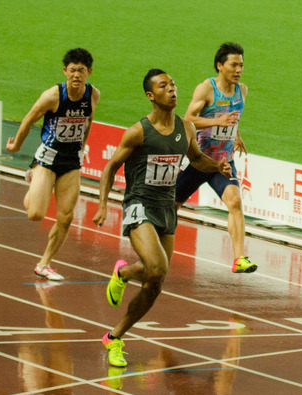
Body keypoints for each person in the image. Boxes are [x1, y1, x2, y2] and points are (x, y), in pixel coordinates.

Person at [92, 69, 232, 367]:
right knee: (157, 267)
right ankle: (126, 275)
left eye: (173, 84)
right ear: (150, 95)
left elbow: (195, 159)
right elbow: (110, 167)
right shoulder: (138, 132)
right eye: (163, 86)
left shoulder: (186, 128)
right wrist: (103, 204)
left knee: (156, 281)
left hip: (167, 208)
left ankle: (115, 334)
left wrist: (217, 166)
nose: (172, 89)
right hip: (139, 204)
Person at [6, 48, 100, 281]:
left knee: (66, 217)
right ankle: (34, 178)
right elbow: (29, 118)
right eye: (72, 70)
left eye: (81, 71)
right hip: (48, 158)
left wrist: (82, 146)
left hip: (71, 161)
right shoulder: (53, 96)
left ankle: (44, 263)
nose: (76, 75)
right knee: (36, 214)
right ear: (65, 71)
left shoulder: (93, 95)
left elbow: (88, 122)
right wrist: (15, 145)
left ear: (89, 72)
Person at [175, 42, 257, 273]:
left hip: (223, 163)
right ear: (220, 66)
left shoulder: (242, 90)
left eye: (241, 65)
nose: (239, 69)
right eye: (234, 65)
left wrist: (236, 135)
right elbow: (188, 118)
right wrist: (216, 122)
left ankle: (239, 258)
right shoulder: (206, 89)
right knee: (171, 207)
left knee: (235, 202)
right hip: (199, 160)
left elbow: (233, 116)